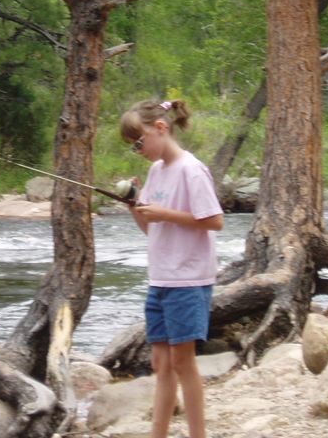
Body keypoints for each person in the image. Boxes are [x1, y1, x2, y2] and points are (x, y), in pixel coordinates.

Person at [120, 99, 224, 438]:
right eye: (132, 146)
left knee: (183, 362)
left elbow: (215, 220)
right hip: (160, 279)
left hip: (188, 280)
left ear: (161, 128)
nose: (138, 151)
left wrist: (164, 213)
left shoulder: (191, 170)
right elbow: (152, 228)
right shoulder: (156, 172)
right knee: (161, 364)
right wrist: (134, 207)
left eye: (139, 142)